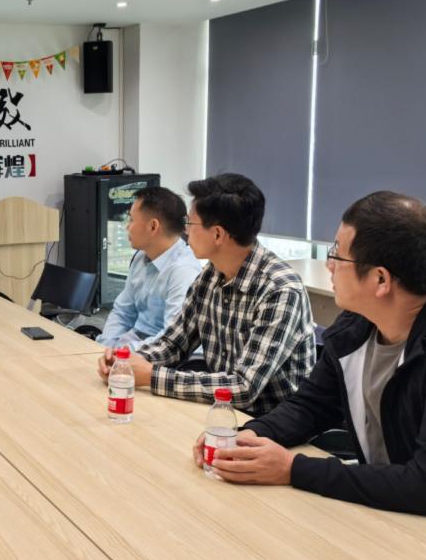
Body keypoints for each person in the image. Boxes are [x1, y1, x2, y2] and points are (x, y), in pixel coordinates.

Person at [198, 191, 426, 537]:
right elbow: (311, 406)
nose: (329, 265)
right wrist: (247, 437)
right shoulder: (358, 324)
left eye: (337, 254)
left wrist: (293, 469)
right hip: (396, 508)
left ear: (380, 280)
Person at [98, 173, 315, 416]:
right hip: (223, 411)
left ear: (218, 234)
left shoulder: (279, 291)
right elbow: (174, 343)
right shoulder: (210, 276)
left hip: (272, 422)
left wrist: (151, 375)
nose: (184, 231)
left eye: (190, 224)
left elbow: (244, 387)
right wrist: (126, 361)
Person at [96, 186, 201, 349]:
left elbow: (172, 337)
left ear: (153, 226)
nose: (127, 227)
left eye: (131, 220)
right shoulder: (140, 257)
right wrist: (106, 346)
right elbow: (123, 312)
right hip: (135, 341)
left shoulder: (183, 270)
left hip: (164, 352)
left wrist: (124, 352)